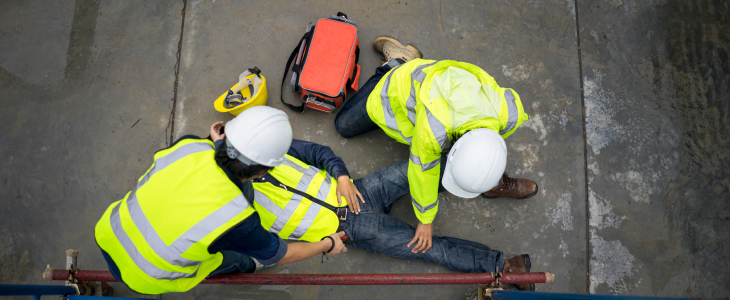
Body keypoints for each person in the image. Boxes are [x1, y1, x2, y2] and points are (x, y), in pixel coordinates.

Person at [93, 106, 347, 295]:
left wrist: (218, 145)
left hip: (109, 230)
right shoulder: (238, 217)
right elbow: (283, 254)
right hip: (147, 274)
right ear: (262, 172)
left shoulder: (189, 145)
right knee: (232, 256)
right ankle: (250, 264)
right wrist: (327, 243)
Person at [334, 36, 538, 255]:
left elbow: (489, 147)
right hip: (398, 88)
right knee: (344, 125)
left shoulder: (508, 113)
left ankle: (493, 183)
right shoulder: (432, 131)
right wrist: (426, 219)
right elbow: (423, 172)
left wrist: (487, 169)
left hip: (438, 93)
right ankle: (398, 61)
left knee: (475, 161)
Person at [246, 137, 536, 291]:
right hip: (351, 229)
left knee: (423, 169)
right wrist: (327, 244)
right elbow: (274, 253)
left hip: (359, 190)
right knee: (430, 249)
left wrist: (342, 176)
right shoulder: (235, 216)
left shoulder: (258, 149)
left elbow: (317, 152)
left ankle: (489, 181)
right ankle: (505, 266)